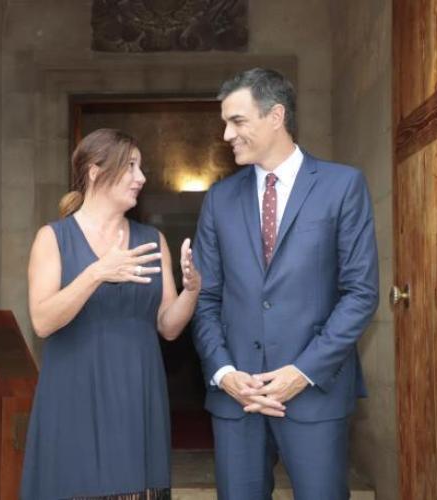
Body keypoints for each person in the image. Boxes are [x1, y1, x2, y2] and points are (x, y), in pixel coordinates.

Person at [191, 68, 379, 499]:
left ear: (276, 116)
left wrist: (302, 372)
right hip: (236, 397)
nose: (226, 134)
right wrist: (224, 372)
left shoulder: (342, 185)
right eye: (225, 122)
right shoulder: (219, 199)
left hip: (315, 393)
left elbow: (360, 293)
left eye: (237, 121)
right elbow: (206, 297)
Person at [20, 128, 201, 499]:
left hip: (137, 394)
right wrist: (97, 273)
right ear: (95, 171)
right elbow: (42, 321)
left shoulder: (152, 241)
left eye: (140, 167)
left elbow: (168, 327)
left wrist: (193, 290)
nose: (141, 177)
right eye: (131, 166)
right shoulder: (52, 238)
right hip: (74, 394)